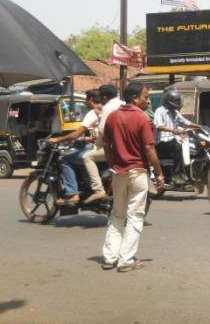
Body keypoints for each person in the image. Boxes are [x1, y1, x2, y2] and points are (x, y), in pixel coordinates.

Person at [101, 82, 164, 273]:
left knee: (117, 214)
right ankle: (126, 260)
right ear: (135, 98)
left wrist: (112, 163)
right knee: (135, 216)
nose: (147, 101)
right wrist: (159, 172)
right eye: (145, 97)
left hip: (119, 173)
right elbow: (148, 148)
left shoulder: (112, 117)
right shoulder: (142, 118)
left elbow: (106, 144)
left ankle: (109, 258)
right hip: (138, 172)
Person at [47, 90, 102, 205]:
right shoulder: (106, 110)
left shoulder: (93, 113)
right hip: (103, 146)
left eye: (87, 100)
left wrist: (57, 140)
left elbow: (75, 134)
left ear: (91, 100)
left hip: (99, 149)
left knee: (63, 159)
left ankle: (73, 193)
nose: (86, 102)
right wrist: (88, 139)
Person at [82, 84, 124, 203]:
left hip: (112, 147)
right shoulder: (123, 104)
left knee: (87, 157)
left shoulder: (107, 108)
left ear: (104, 96)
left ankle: (98, 190)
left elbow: (102, 131)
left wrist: (99, 143)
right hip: (124, 144)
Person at [153, 89, 192, 184]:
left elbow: (186, 122)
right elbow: (158, 126)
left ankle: (187, 175)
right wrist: (174, 130)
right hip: (162, 142)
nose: (178, 103)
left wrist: (201, 127)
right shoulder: (160, 111)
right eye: (176, 101)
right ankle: (177, 174)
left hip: (172, 140)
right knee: (177, 146)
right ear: (170, 101)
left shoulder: (175, 112)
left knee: (191, 146)